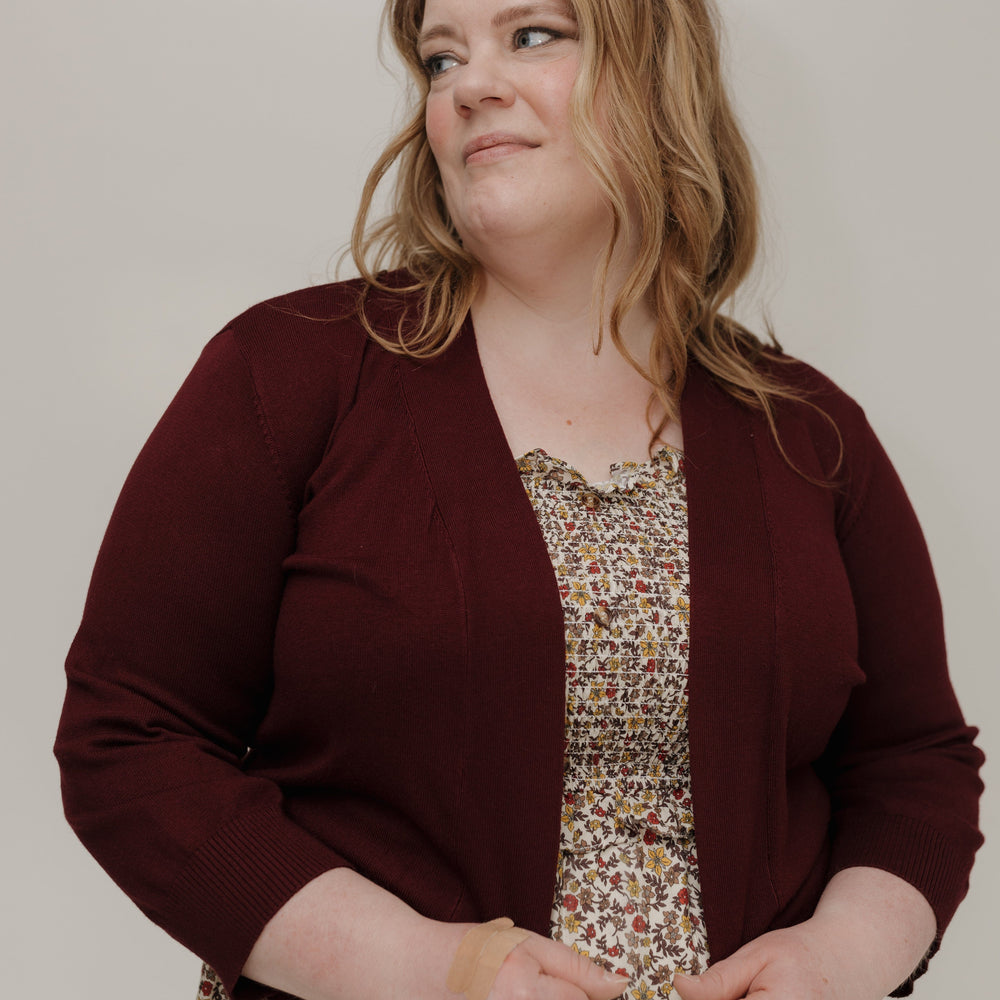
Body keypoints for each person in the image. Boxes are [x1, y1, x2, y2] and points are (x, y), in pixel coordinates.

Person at [54, 1, 984, 998]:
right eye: (440, 57)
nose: (467, 85)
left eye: (531, 34)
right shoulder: (286, 376)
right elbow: (131, 739)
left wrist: (838, 958)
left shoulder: (807, 431)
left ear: (657, 68)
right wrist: (426, 969)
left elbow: (911, 761)